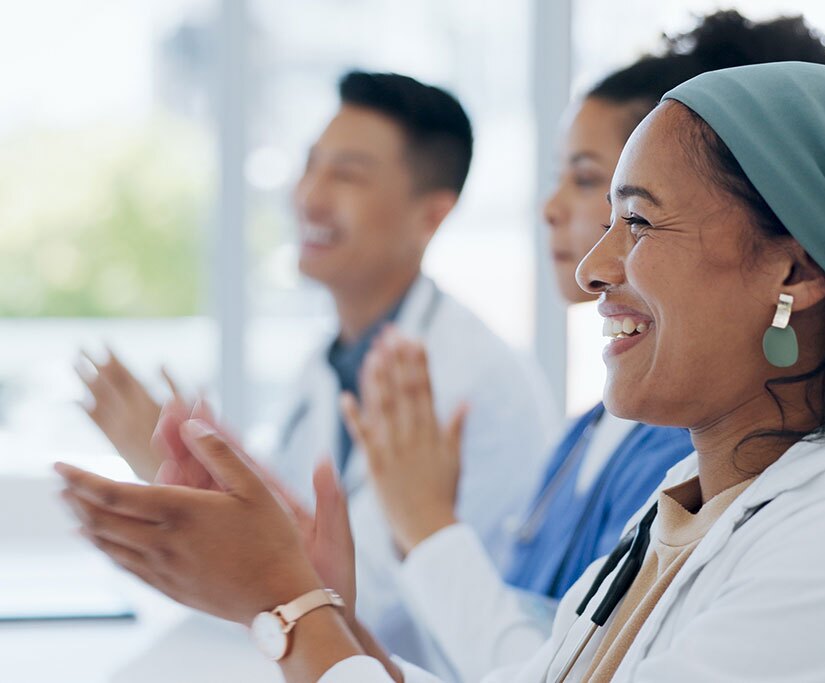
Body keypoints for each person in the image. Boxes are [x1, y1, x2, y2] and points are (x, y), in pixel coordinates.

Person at [59, 61, 825, 682]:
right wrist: (324, 606)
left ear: (795, 268)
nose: (593, 266)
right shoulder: (692, 497)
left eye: (636, 218)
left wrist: (289, 604)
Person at [337, 12, 825, 682]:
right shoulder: (602, 429)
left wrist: (420, 529)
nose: (557, 214)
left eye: (628, 206)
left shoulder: (705, 456)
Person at [75, 71, 559, 669]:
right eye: (311, 165)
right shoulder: (328, 361)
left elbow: (369, 602)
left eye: (347, 175)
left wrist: (227, 523)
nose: (310, 195)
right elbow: (306, 553)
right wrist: (200, 485)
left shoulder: (473, 380)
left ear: (431, 215)